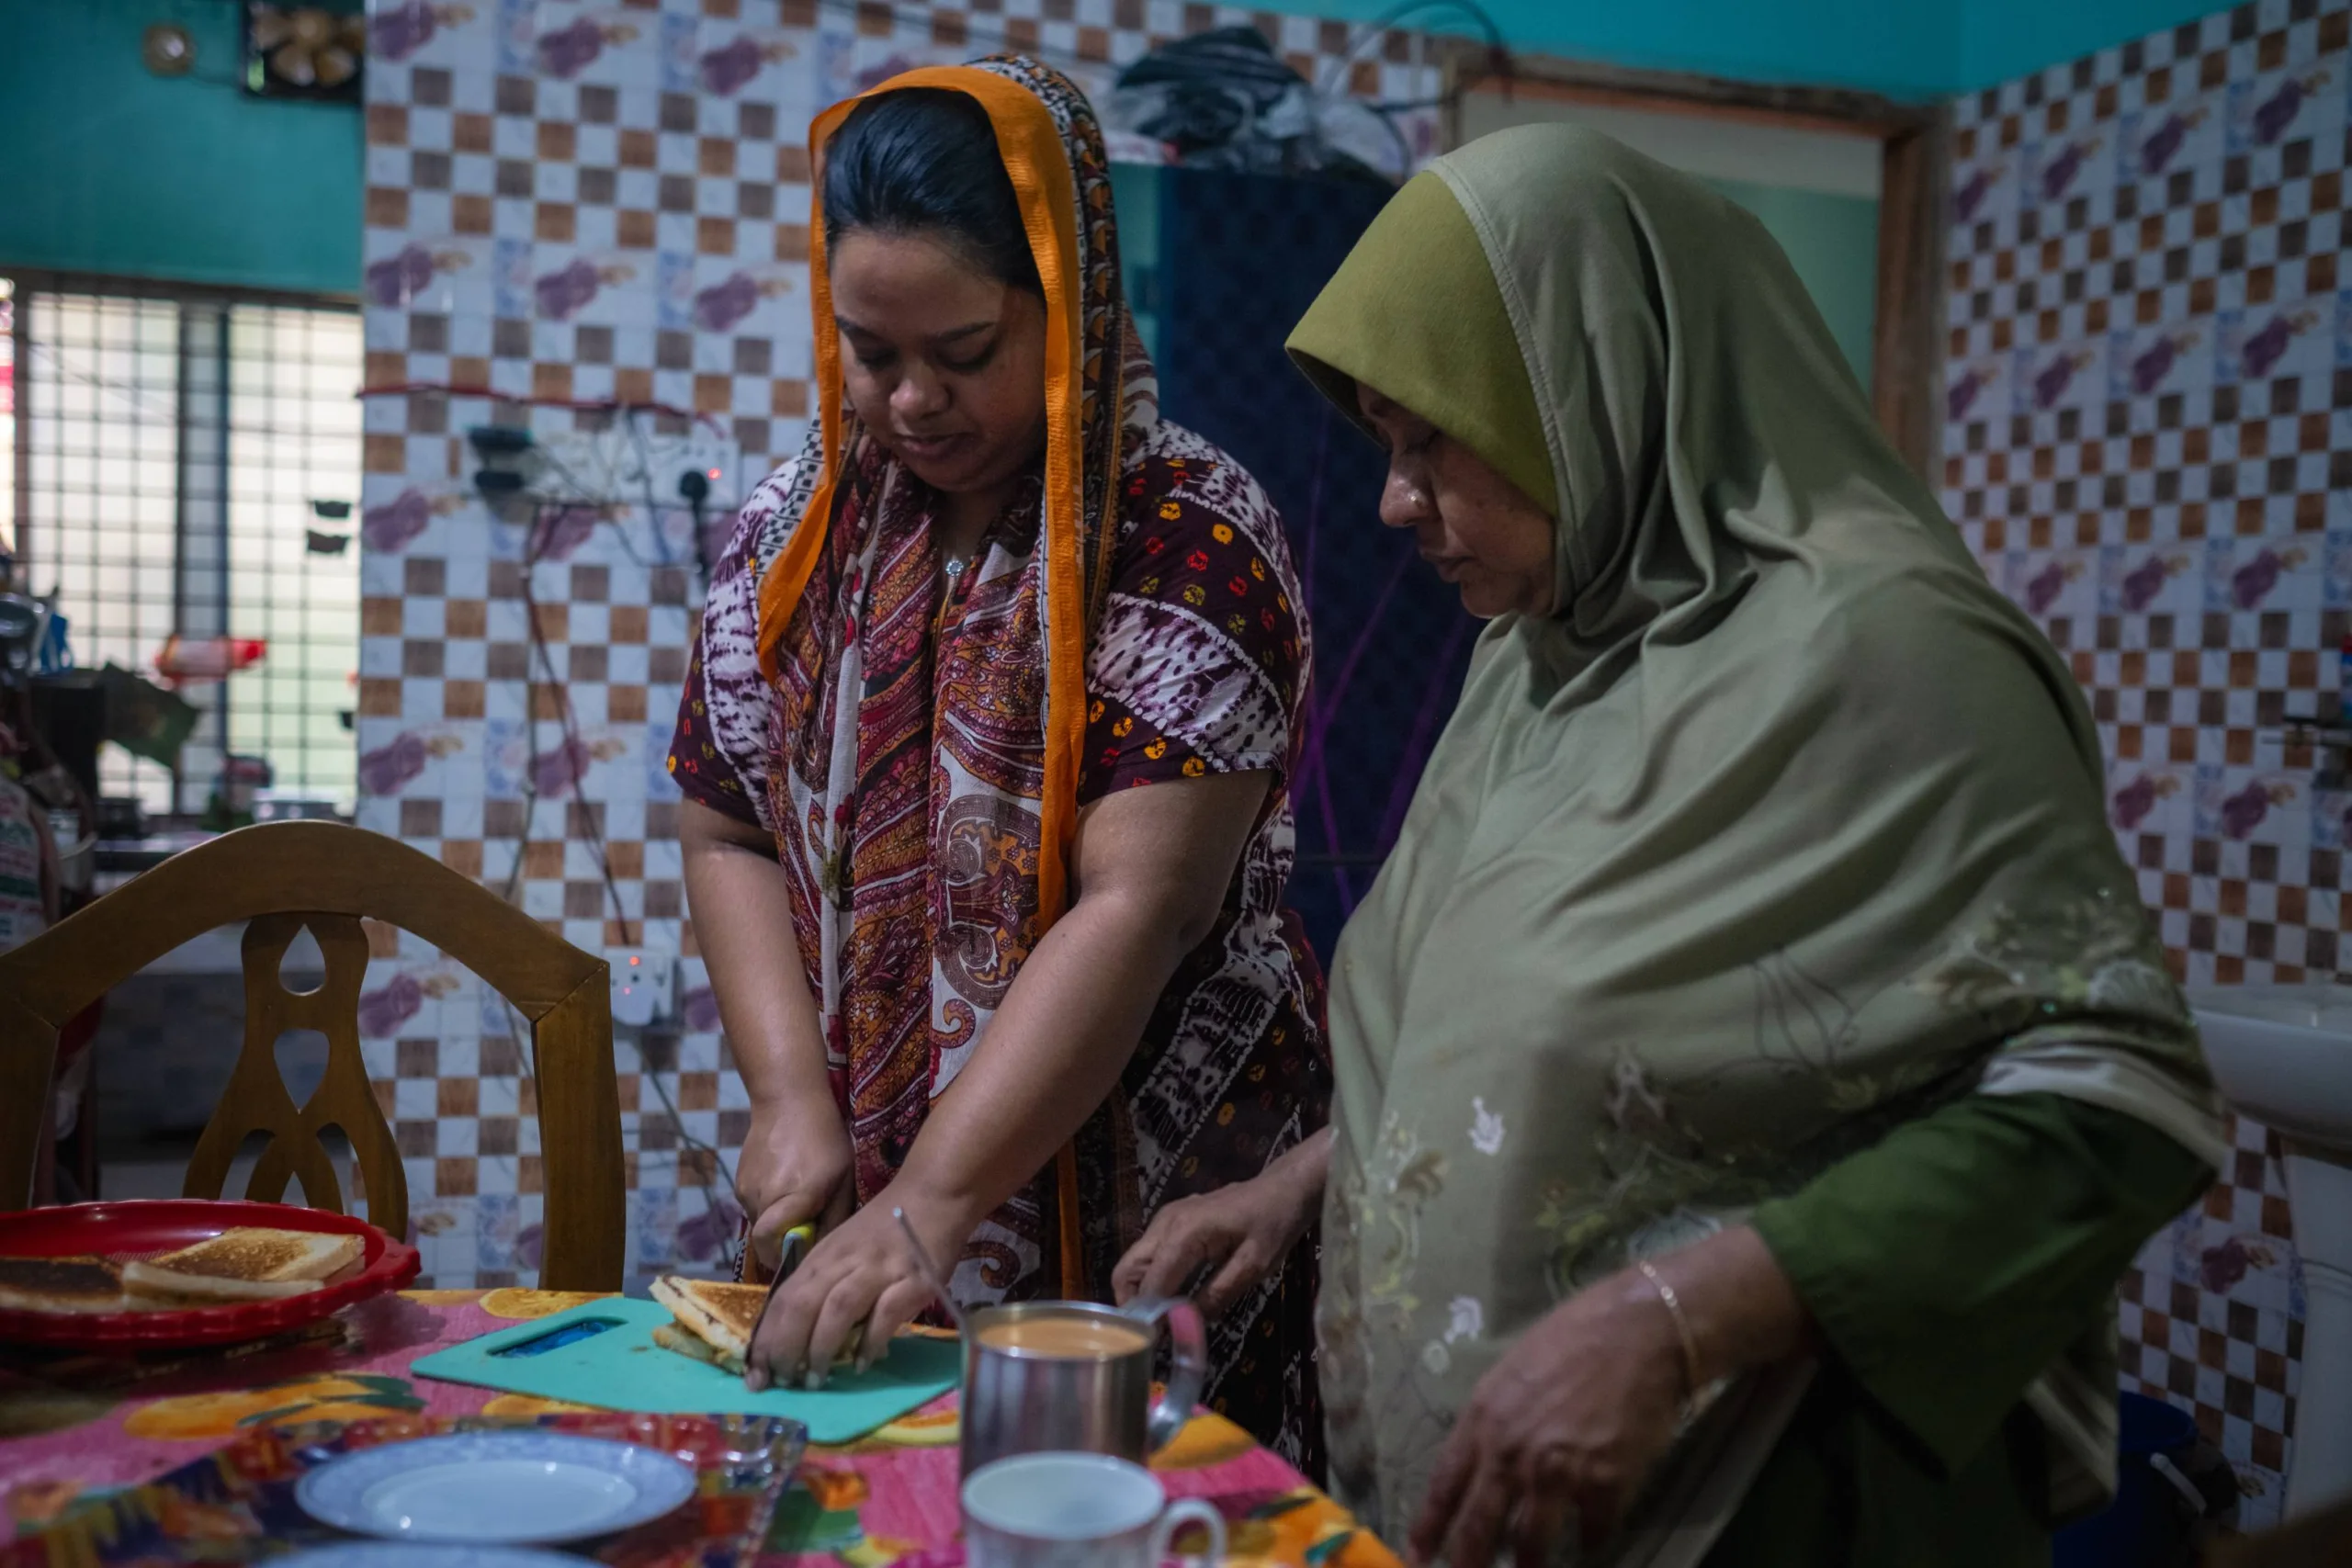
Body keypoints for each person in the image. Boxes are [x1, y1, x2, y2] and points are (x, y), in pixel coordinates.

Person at [1112, 125, 2226, 1565]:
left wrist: (1678, 1319)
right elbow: (1525, 1036)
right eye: (1385, 450)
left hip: (1775, 1494)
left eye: (1431, 436)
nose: (1396, 503)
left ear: (1592, 380)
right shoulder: (1538, 653)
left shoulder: (1886, 655)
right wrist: (1301, 1184)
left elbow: (2115, 1089)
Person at [667, 57, 1331, 1468]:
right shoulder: (803, 528)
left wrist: (933, 1200)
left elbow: (1135, 908)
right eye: (871, 349)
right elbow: (723, 823)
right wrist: (792, 1090)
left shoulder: (1186, 541)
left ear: (1067, 305)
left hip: (1157, 1195)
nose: (910, 401)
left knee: (1140, 1518)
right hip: (892, 1184)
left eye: (964, 353)